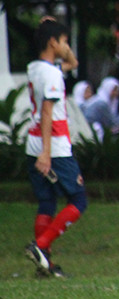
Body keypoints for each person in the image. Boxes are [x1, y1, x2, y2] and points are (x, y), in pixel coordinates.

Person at [24, 18, 88, 279]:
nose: (67, 46)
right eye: (63, 41)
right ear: (53, 42)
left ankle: (44, 264)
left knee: (47, 201)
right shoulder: (51, 74)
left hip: (33, 143)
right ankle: (40, 246)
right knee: (79, 199)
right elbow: (48, 112)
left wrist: (50, 30)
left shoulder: (36, 68)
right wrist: (47, 154)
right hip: (55, 147)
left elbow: (73, 63)